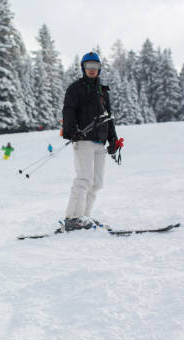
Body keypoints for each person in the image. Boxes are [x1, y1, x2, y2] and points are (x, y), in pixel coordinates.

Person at [61, 51, 119, 231]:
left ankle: (84, 216)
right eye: (89, 66)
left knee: (97, 182)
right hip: (84, 140)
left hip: (100, 141)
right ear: (83, 68)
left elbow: (108, 117)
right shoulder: (75, 88)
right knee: (84, 178)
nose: (92, 70)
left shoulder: (103, 91)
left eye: (95, 66)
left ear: (99, 68)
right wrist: (72, 132)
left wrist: (113, 139)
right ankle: (73, 217)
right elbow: (68, 111)